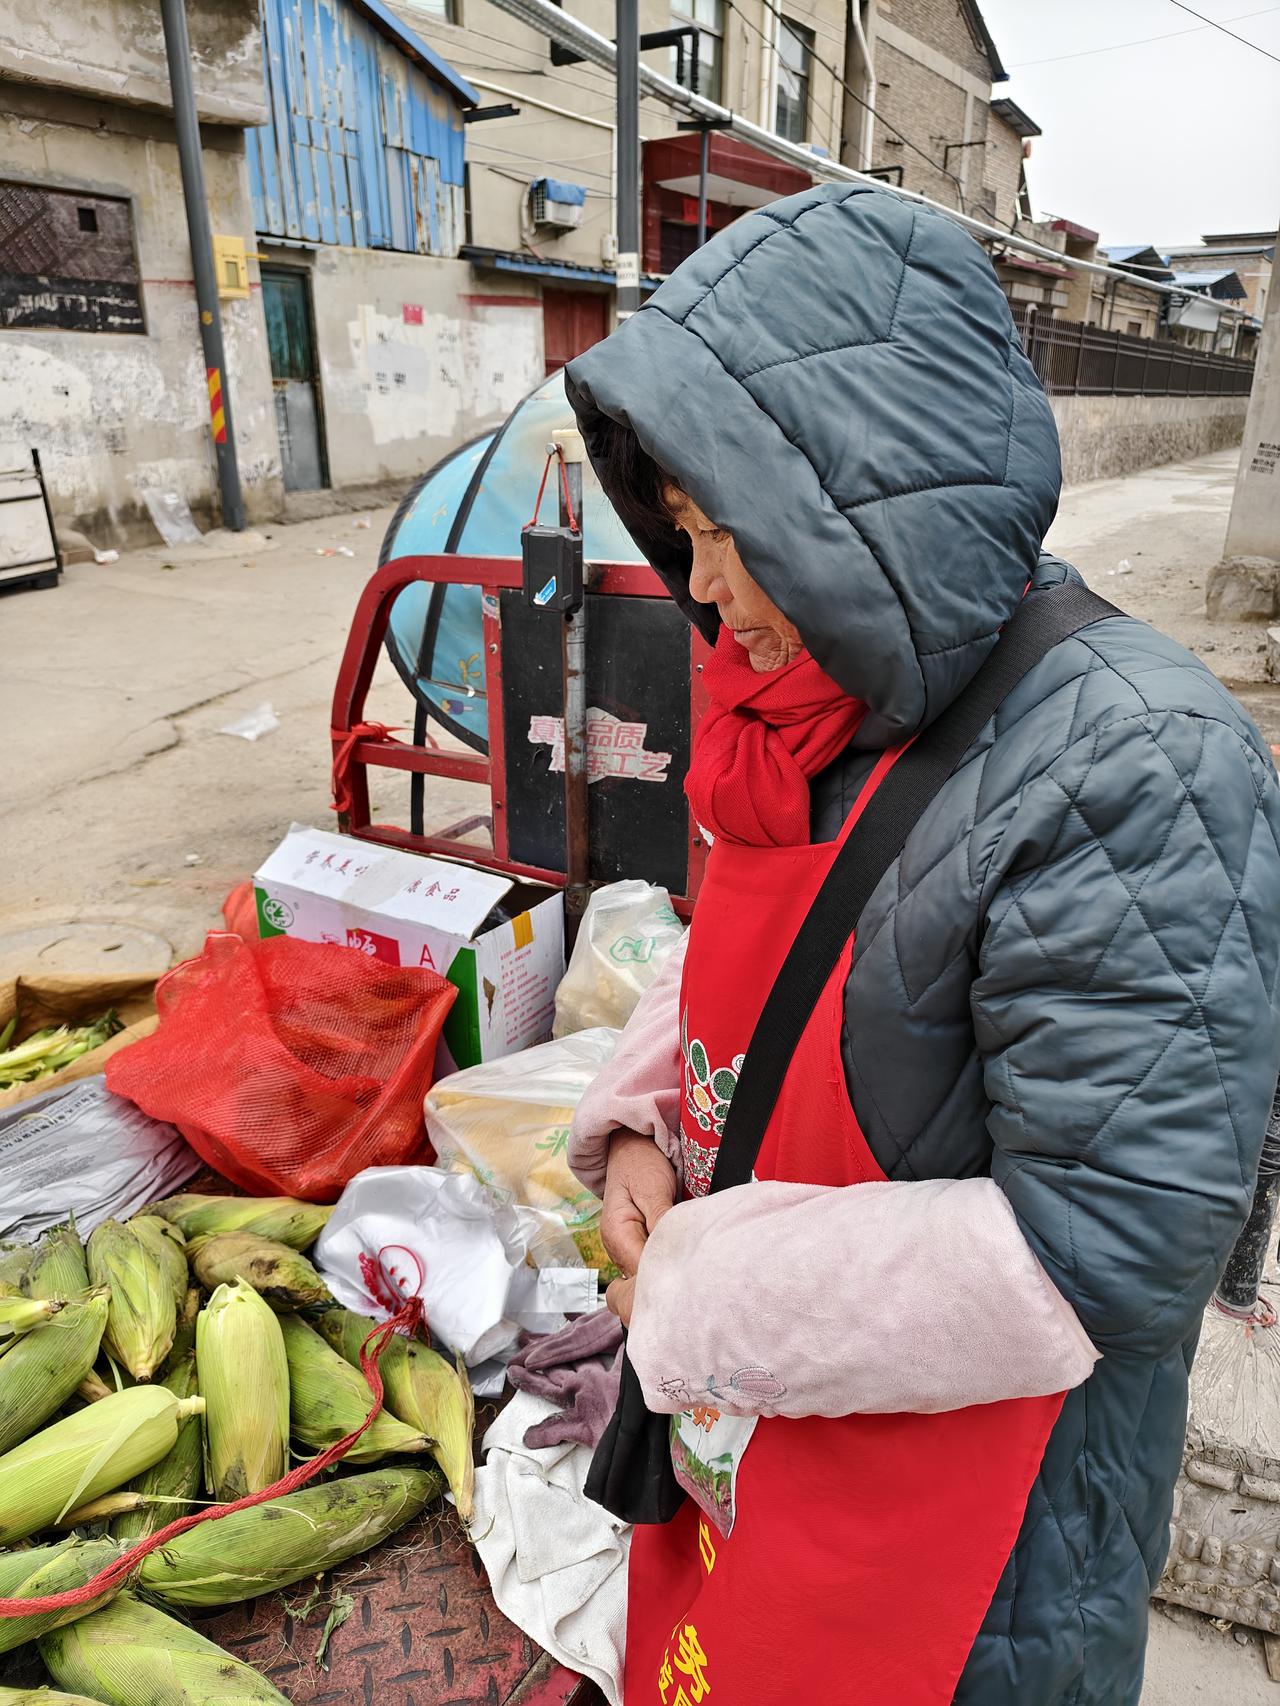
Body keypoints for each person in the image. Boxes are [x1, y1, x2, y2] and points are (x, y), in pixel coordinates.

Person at [561, 184, 1280, 1706]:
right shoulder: (817, 684)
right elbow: (781, 945)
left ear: (853, 500)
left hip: (975, 1556)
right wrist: (646, 1117)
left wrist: (698, 1292)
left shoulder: (1139, 762)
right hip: (763, 1446)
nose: (700, 589)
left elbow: (1107, 1251)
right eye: (680, 530)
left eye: (726, 533)